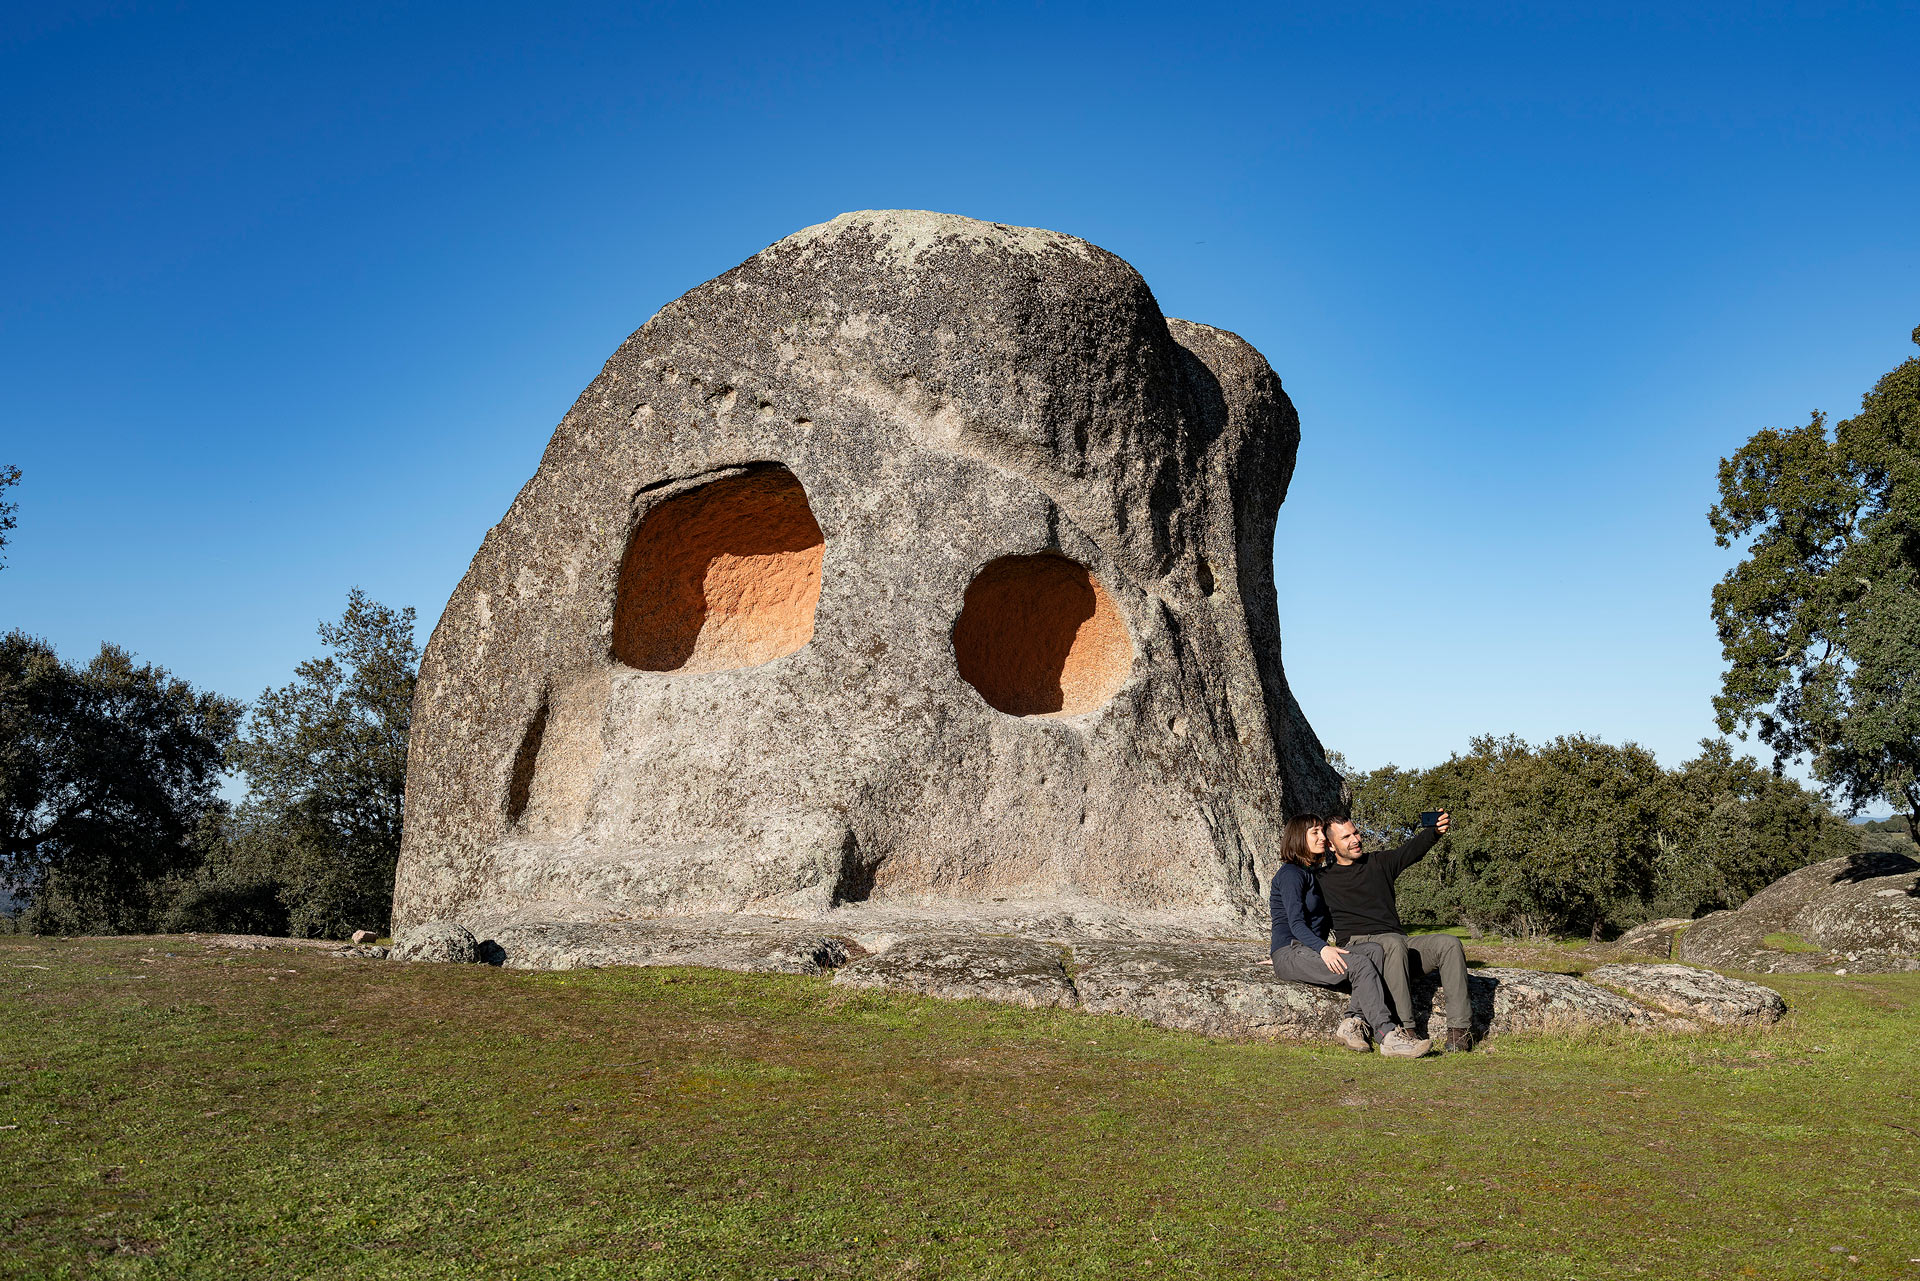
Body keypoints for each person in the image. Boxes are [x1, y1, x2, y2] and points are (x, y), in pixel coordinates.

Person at [1268, 814, 1433, 1058]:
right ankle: (1388, 1036)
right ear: (1297, 839)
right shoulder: (1292, 874)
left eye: (1321, 832)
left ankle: (1352, 1023)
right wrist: (1320, 949)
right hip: (1292, 951)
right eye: (1314, 833)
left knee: (1373, 950)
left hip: (1305, 951)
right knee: (1359, 964)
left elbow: (1319, 923)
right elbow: (1295, 923)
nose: (1322, 837)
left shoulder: (1312, 874)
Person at [1317, 813, 1475, 1052]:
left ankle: (1460, 1032)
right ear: (1330, 845)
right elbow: (1304, 918)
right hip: (1361, 950)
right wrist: (1286, 951)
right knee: (1392, 942)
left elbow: (1412, 849)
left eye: (1356, 833)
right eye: (1346, 837)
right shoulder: (1322, 879)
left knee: (1449, 943)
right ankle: (1405, 1031)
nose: (1355, 839)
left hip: (1397, 945)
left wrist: (1435, 832)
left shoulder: (1379, 863)